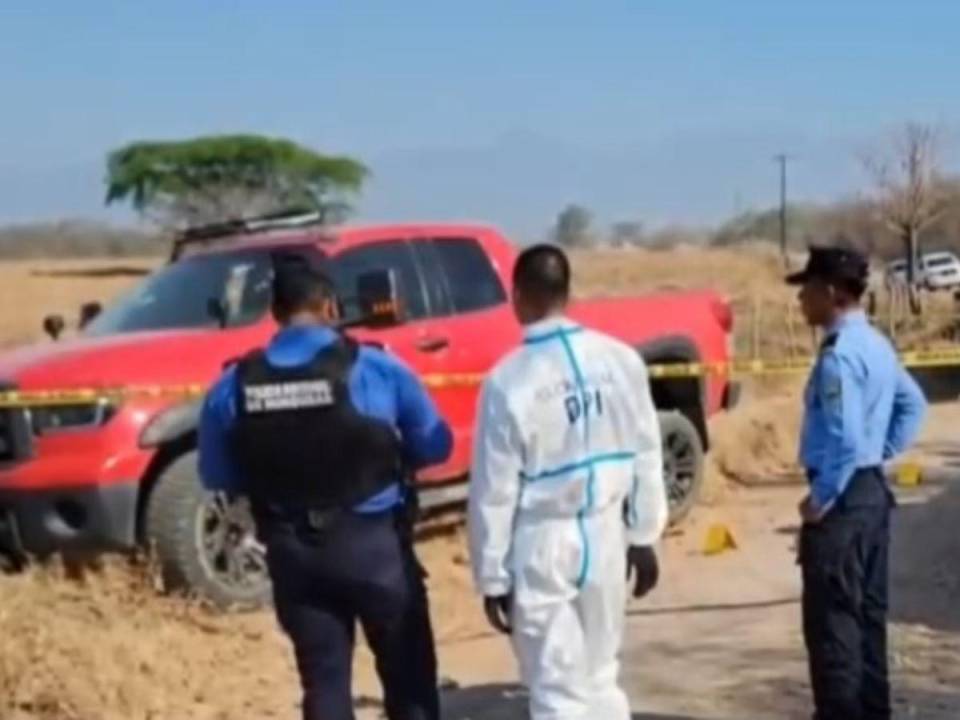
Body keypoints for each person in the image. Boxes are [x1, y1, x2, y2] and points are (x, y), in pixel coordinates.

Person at [197, 252, 453, 720]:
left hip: (295, 555)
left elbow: (218, 476)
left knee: (324, 685)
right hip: (375, 550)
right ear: (331, 308)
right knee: (409, 679)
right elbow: (438, 448)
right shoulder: (378, 369)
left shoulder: (232, 386)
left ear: (274, 314)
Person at [467, 243, 668, 720]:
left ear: (517, 296)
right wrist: (643, 534)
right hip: (606, 536)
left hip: (544, 543)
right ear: (567, 292)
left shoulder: (508, 381)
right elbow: (646, 451)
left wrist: (493, 576)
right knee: (600, 675)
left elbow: (494, 491)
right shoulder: (622, 362)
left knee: (557, 691)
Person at [789, 245, 927, 720]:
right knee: (868, 627)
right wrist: (878, 453)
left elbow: (846, 439)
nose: (800, 300)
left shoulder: (839, 357)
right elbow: (913, 406)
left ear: (830, 293)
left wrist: (821, 499)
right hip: (870, 493)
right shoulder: (876, 344)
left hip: (844, 503)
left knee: (834, 634)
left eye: (806, 290)